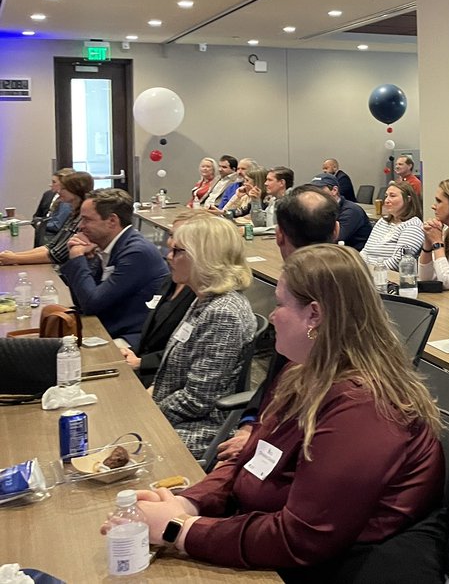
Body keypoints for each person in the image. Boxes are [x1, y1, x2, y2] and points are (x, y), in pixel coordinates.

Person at [123, 244, 445, 573]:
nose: (272, 315)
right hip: (270, 537)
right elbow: (248, 456)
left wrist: (180, 529)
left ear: (315, 315)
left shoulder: (364, 407)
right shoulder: (302, 370)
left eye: (280, 304)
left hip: (334, 566)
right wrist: (187, 503)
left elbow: (302, 538)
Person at [215, 186, 339, 464]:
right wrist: (251, 424)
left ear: (279, 235)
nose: (273, 315)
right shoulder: (346, 290)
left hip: (287, 444)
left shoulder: (306, 308)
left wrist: (255, 434)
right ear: (337, 231)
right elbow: (276, 384)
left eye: (280, 306)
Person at [151, 213, 257, 457]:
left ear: (202, 257)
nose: (169, 257)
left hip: (202, 427)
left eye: (177, 251)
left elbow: (198, 400)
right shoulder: (205, 298)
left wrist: (150, 414)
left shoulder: (223, 313)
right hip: (179, 414)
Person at [57, 188, 169, 348]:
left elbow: (92, 304)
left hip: (132, 337)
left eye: (87, 220)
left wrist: (77, 258)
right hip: (109, 325)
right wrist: (88, 261)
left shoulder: (136, 253)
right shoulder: (108, 247)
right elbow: (83, 301)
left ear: (112, 221)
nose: (81, 227)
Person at [121, 211, 202, 386]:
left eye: (180, 238)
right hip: (145, 364)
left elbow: (187, 353)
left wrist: (142, 363)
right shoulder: (172, 278)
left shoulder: (200, 293)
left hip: (162, 377)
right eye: (172, 235)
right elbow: (153, 333)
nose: (170, 243)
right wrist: (132, 353)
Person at [0, 171, 94, 267]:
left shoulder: (81, 219)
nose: (58, 191)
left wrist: (14, 258)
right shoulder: (73, 214)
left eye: (64, 188)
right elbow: (50, 246)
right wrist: (12, 256)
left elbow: (57, 256)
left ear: (76, 190)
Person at [361, 180, 425, 270]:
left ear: (408, 199)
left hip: (387, 276)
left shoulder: (413, 226)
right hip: (367, 271)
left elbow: (399, 262)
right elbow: (365, 251)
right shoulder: (383, 221)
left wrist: (372, 270)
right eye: (386, 196)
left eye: (392, 196)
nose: (386, 200)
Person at [312, 173, 370, 250]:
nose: (314, 194)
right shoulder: (322, 209)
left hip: (353, 256)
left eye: (319, 190)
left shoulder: (351, 211)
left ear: (334, 190)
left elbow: (335, 239)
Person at [31, 168, 73, 248]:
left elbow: (56, 225)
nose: (50, 185)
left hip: (53, 240)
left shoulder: (66, 201)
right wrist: (37, 222)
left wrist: (39, 223)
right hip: (42, 234)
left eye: (54, 182)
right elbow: (37, 215)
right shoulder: (48, 194)